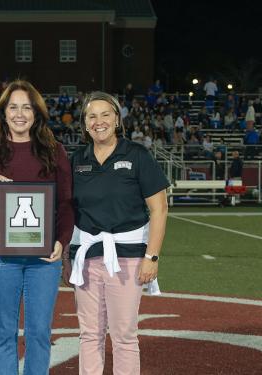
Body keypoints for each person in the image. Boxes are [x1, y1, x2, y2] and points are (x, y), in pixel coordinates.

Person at [0, 80, 73, 374]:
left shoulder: (55, 152)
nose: (20, 113)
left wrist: (61, 242)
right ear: (3, 113)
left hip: (43, 258)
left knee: (40, 332)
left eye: (27, 107)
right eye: (13, 107)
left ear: (37, 114)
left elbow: (65, 205)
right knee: (4, 332)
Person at [63, 91, 169, 375]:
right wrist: (67, 258)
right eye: (92, 116)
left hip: (128, 257)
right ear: (84, 124)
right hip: (86, 259)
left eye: (105, 114)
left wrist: (152, 256)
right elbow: (69, 212)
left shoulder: (137, 155)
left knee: (123, 335)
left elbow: (159, 209)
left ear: (117, 119)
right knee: (89, 334)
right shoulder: (77, 159)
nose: (99, 121)